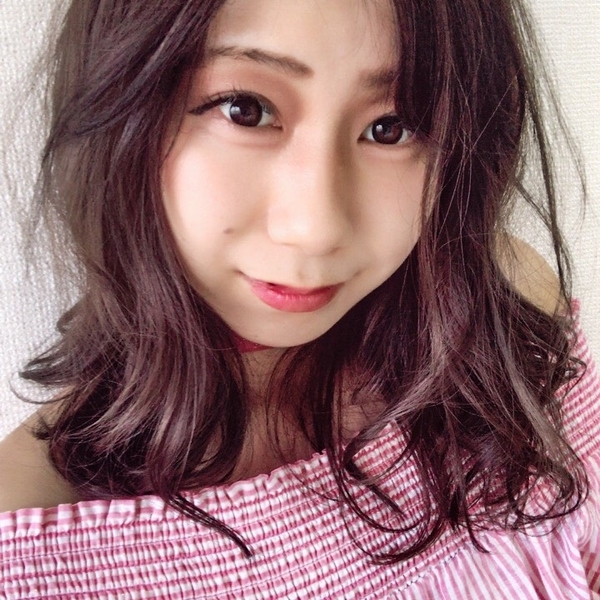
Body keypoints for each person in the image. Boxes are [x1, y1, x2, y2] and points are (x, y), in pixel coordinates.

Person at [0, 0, 598, 597]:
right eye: (245, 109)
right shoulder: (34, 546)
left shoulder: (507, 314)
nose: (316, 228)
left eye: (391, 127)